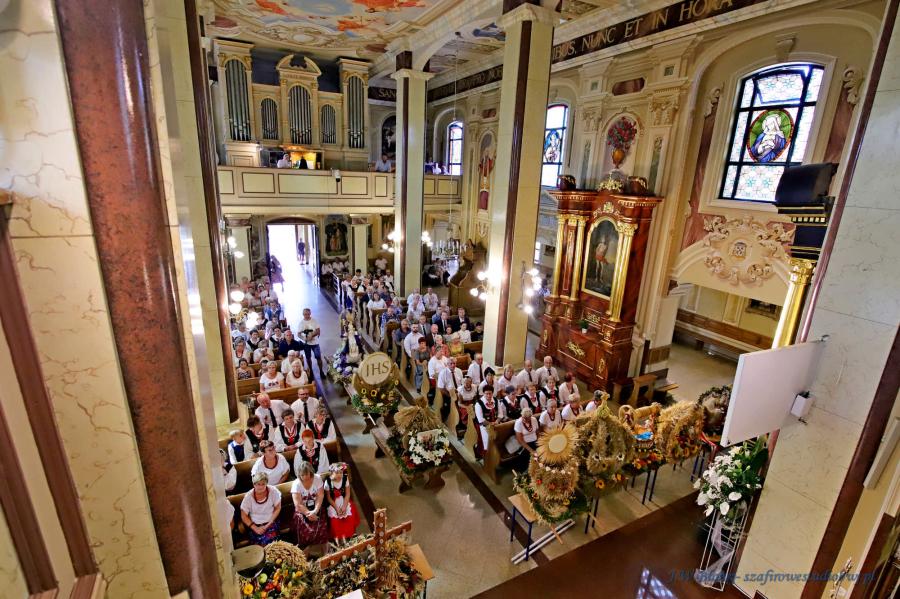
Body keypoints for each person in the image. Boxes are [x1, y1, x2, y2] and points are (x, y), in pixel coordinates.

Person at [291, 461, 328, 547]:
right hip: (302, 510)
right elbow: (298, 505)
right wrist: (308, 514)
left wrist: (315, 511)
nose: (304, 477)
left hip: (316, 507)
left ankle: (323, 548)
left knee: (321, 525)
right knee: (307, 530)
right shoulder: (296, 484)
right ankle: (306, 549)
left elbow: (320, 496)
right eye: (302, 475)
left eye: (306, 474)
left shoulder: (317, 479)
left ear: (311, 472)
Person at [240, 472, 282, 546]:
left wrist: (269, 523)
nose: (261, 487)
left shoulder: (273, 491)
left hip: (270, 522)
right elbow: (244, 516)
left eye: (263, 484)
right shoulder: (248, 497)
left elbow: (277, 508)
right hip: (255, 525)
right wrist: (255, 528)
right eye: (258, 484)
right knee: (259, 544)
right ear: (254, 484)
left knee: (272, 543)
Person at [325, 463, 360, 541]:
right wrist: (337, 509)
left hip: (344, 500)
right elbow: (329, 498)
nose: (339, 475)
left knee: (350, 513)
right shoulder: (328, 482)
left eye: (341, 473)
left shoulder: (345, 479)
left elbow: (347, 494)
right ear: (332, 473)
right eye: (337, 473)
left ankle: (349, 534)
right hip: (333, 503)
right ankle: (338, 537)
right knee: (334, 519)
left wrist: (344, 506)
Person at [474, 386, 506, 458]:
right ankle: (488, 458)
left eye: (490, 393)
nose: (488, 395)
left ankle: (497, 456)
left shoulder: (496, 400)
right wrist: (490, 424)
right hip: (484, 426)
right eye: (486, 394)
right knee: (487, 442)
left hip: (496, 424)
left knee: (498, 440)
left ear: (492, 393)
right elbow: (480, 419)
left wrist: (497, 421)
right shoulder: (479, 403)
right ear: (483, 393)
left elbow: (500, 414)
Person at [298, 308, 323, 374]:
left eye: (308, 314)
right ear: (303, 314)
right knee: (308, 358)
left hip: (315, 343)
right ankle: (311, 371)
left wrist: (312, 336)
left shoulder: (314, 321)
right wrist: (304, 338)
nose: (306, 315)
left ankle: (321, 371)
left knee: (318, 357)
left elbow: (318, 330)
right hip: (306, 344)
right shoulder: (301, 323)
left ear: (310, 313)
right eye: (305, 314)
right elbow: (298, 334)